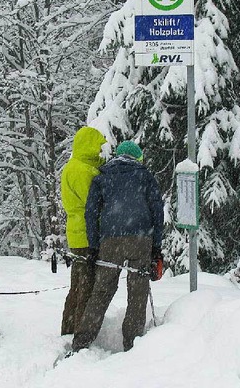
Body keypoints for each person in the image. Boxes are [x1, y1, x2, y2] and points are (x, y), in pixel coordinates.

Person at [72, 140, 164, 353]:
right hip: (141, 238)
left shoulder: (102, 177)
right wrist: (156, 247)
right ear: (137, 158)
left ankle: (82, 342)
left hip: (110, 239)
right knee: (137, 291)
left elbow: (91, 213)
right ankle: (132, 345)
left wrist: (94, 246)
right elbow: (157, 212)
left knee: (102, 291)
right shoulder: (146, 176)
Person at [60, 126, 107, 336]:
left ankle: (69, 329)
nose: (100, 151)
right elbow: (93, 203)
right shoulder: (82, 170)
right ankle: (79, 333)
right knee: (85, 287)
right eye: (98, 146)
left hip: (76, 232)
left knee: (77, 285)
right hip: (86, 233)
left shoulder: (74, 166)